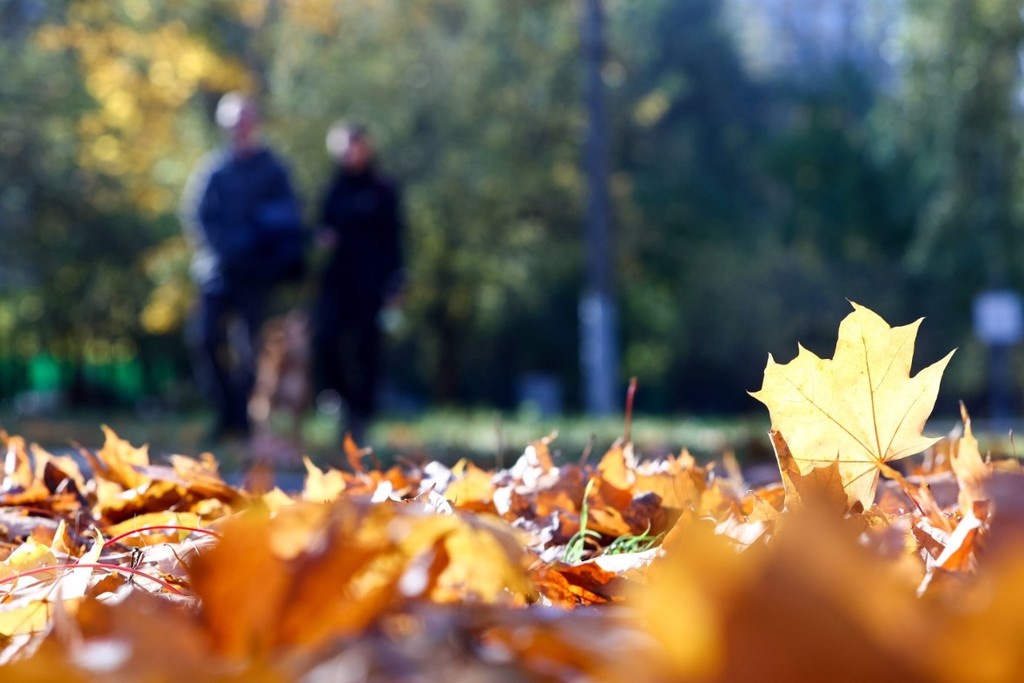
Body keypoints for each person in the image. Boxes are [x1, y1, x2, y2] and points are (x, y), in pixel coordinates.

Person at [181, 91, 304, 442]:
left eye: (246, 121)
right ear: (225, 127)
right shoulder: (213, 170)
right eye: (234, 123)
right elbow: (197, 216)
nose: (241, 129)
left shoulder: (274, 171)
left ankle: (242, 417)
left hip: (257, 275)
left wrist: (270, 253)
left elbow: (289, 219)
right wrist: (225, 249)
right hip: (218, 272)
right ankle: (226, 412)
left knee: (252, 350)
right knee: (205, 339)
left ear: (256, 124)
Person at [312, 123, 405, 445]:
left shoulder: (383, 189)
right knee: (326, 340)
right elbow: (320, 230)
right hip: (337, 281)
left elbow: (395, 239)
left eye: (355, 145)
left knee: (368, 350)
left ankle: (361, 417)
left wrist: (396, 283)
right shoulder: (333, 190)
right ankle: (340, 398)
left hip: (372, 283)